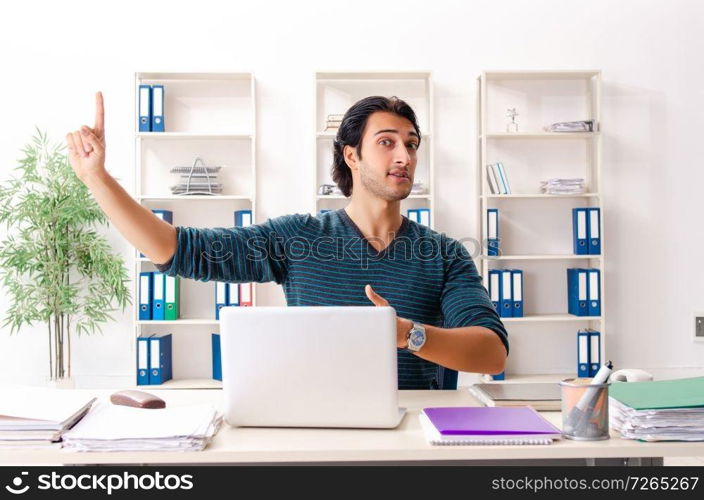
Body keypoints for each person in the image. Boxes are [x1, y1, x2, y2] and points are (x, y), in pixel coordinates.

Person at [66, 92, 508, 390]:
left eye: (411, 145)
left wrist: (406, 335)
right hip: (320, 434)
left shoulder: (444, 254)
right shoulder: (298, 237)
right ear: (351, 155)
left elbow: (492, 353)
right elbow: (177, 249)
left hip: (417, 445)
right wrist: (97, 179)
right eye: (387, 142)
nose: (404, 156)